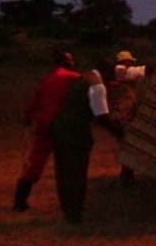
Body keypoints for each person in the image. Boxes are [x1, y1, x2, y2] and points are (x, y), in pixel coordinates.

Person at [49, 56, 143, 223]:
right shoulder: (97, 86)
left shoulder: (83, 78)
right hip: (76, 134)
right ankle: (75, 214)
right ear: (107, 73)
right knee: (76, 174)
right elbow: (102, 117)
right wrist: (121, 134)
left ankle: (68, 210)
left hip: (59, 128)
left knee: (63, 172)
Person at [12, 50, 80, 212]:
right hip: (62, 125)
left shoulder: (47, 79)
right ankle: (69, 202)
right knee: (67, 164)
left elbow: (36, 101)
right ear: (67, 62)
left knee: (35, 163)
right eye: (71, 60)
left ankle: (20, 202)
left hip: (44, 125)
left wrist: (28, 117)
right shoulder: (73, 78)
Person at [106, 49, 148, 186]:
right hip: (124, 116)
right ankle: (126, 176)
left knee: (127, 146)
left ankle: (127, 174)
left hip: (125, 115)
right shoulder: (121, 71)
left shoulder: (123, 77)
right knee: (128, 146)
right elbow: (140, 72)